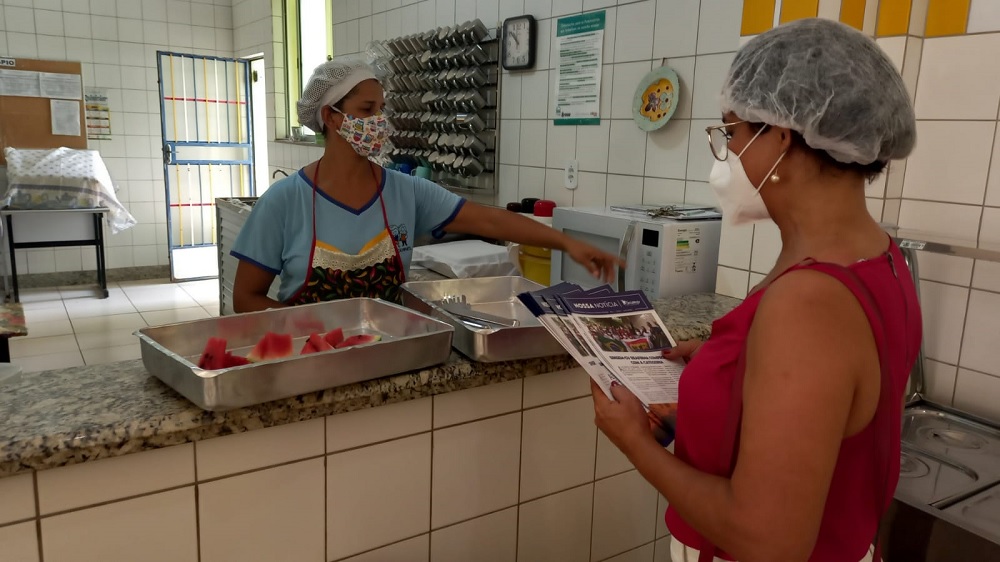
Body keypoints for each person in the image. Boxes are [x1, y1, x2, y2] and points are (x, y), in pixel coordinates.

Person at [591, 18, 922, 562]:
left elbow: (767, 540)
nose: (726, 153)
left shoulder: (808, 303)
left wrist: (629, 438)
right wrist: (733, 365)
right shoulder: (880, 257)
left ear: (781, 138)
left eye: (732, 132)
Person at [231, 60, 619, 311]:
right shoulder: (284, 201)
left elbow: (490, 221)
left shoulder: (406, 191)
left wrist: (567, 242)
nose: (379, 120)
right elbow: (245, 298)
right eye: (367, 110)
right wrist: (320, 330)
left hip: (389, 352)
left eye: (381, 109)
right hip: (311, 353)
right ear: (331, 118)